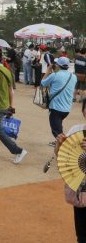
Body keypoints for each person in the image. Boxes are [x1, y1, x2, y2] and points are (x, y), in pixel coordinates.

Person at [55, 99, 86, 243]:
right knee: (82, 233)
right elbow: (61, 157)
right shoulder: (76, 130)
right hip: (79, 187)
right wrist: (59, 145)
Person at [41, 56, 77, 145]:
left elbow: (42, 83)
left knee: (56, 130)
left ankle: (63, 144)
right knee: (58, 127)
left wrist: (48, 70)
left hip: (56, 108)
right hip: (67, 109)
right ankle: (58, 141)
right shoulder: (73, 77)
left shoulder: (54, 75)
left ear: (57, 65)